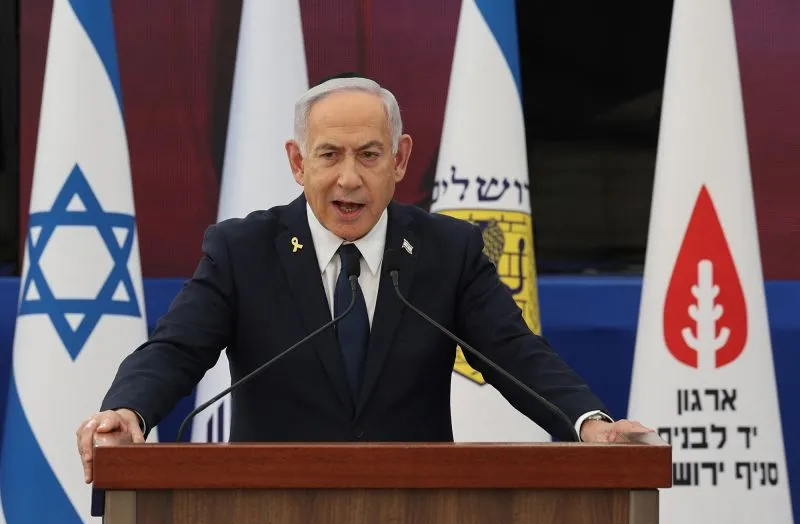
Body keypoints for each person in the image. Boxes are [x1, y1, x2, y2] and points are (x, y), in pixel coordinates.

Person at [76, 75, 651, 483]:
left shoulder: (446, 251)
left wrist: (589, 424)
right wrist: (129, 410)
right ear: (298, 163)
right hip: (267, 510)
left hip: (418, 511)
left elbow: (514, 352)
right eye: (329, 155)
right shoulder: (242, 250)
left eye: (369, 155)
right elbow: (176, 349)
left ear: (400, 160)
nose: (349, 178)